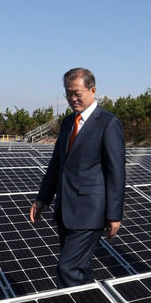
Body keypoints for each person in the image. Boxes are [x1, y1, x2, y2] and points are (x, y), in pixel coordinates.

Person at [30, 67, 126, 287]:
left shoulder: (108, 123)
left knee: (68, 268)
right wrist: (42, 199)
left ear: (92, 90)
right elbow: (56, 165)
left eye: (77, 93)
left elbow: (116, 173)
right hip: (65, 210)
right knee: (80, 270)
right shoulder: (66, 123)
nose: (72, 99)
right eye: (68, 93)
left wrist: (114, 214)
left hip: (90, 212)